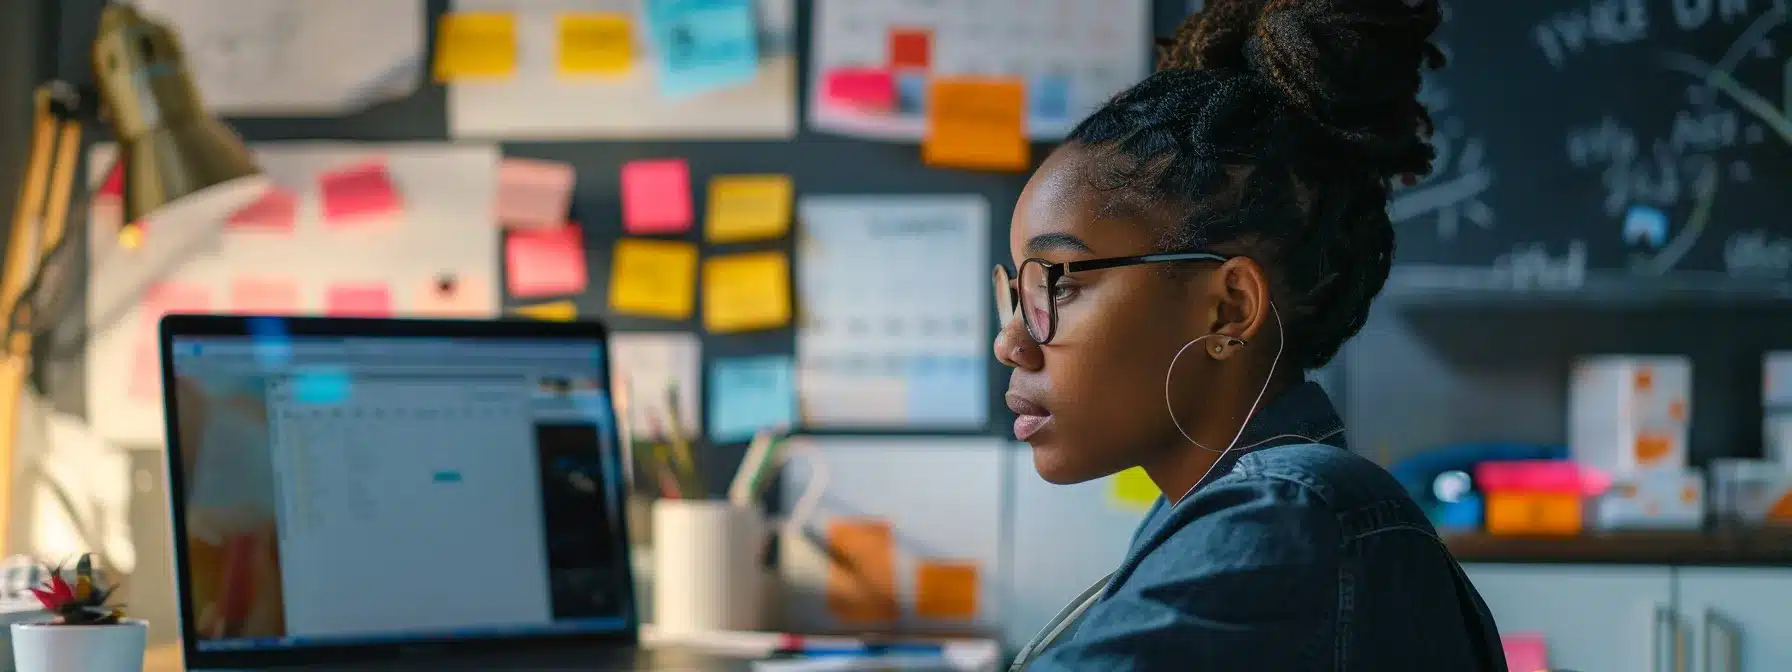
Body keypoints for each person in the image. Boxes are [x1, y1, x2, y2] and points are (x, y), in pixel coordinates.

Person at [995, 1, 1506, 669]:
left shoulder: (1288, 514)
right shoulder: (1240, 507)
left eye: (1056, 282)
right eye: (1016, 293)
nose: (1011, 343)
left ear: (1228, 308)